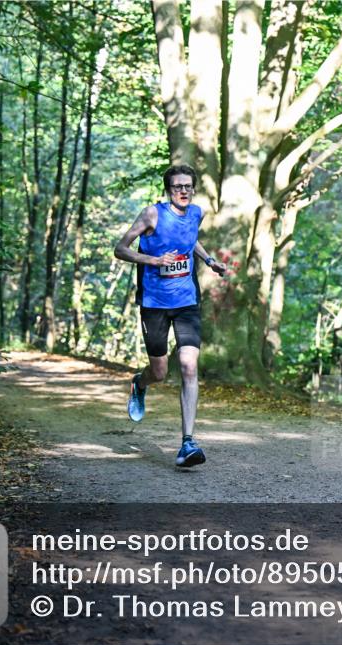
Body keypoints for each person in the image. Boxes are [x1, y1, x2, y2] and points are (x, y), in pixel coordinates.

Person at [113, 165, 227, 467]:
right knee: (160, 373)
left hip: (187, 301)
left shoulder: (196, 213)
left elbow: (190, 241)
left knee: (189, 366)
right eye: (178, 186)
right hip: (154, 303)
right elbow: (120, 249)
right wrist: (153, 259)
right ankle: (140, 383)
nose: (184, 191)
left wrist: (209, 260)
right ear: (168, 189)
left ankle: (188, 443)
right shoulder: (152, 214)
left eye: (188, 186)